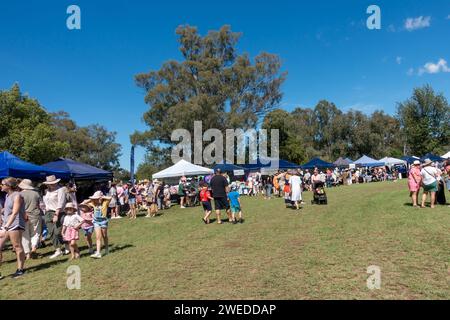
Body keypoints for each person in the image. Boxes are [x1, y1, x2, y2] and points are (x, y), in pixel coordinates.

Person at [0, 177, 26, 279]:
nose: (1, 186)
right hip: (6, 225)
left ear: (9, 186)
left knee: (17, 246)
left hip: (15, 224)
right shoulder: (7, 195)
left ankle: (20, 269)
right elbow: (8, 211)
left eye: (2, 184)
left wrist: (6, 226)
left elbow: (15, 212)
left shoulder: (17, 195)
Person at [42, 175, 68, 259]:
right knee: (51, 233)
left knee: (58, 232)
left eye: (53, 183)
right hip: (48, 213)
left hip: (58, 212)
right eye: (50, 183)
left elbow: (61, 203)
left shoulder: (60, 190)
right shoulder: (47, 191)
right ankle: (58, 250)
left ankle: (66, 245)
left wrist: (56, 214)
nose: (52, 185)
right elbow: (46, 202)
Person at [84, 191, 112, 259]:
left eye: (97, 198)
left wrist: (102, 197)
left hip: (103, 221)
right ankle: (98, 253)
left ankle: (106, 248)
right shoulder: (93, 203)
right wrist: (91, 199)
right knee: (98, 237)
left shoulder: (105, 203)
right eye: (95, 198)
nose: (96, 200)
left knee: (104, 236)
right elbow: (84, 202)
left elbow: (110, 198)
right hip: (96, 222)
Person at [19, 179, 42, 260]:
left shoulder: (20, 194)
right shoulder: (36, 193)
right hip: (35, 214)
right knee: (35, 233)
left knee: (25, 236)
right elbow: (40, 205)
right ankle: (33, 249)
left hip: (23, 216)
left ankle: (27, 254)